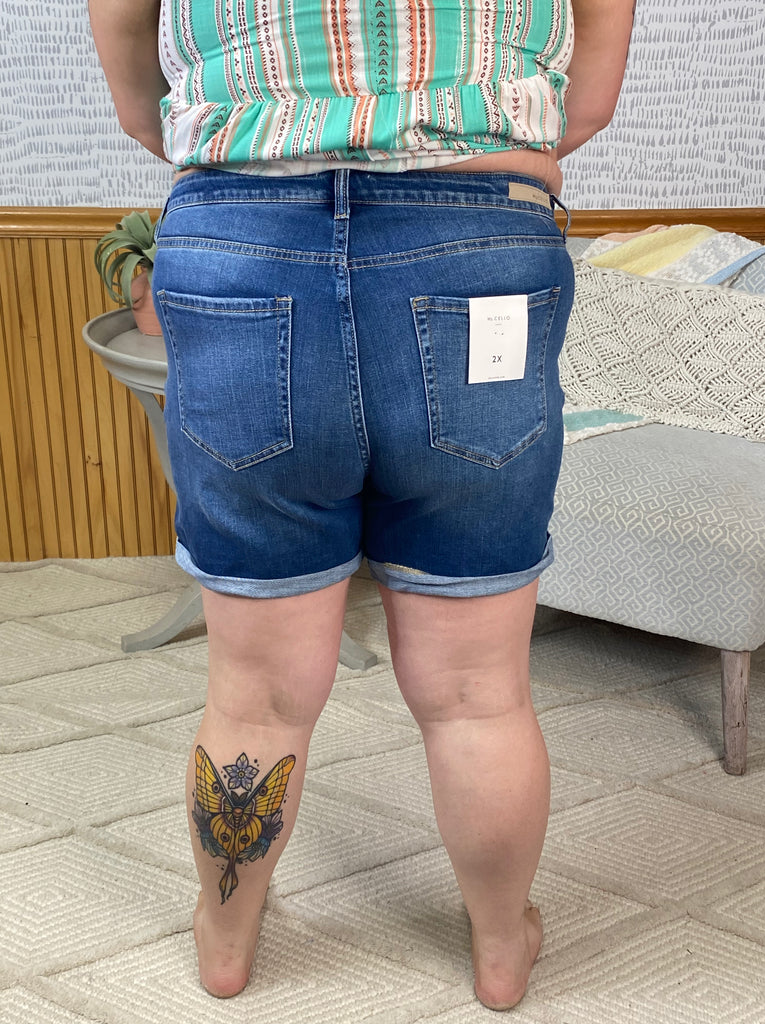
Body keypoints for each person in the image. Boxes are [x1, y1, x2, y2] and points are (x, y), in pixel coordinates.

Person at [89, 0, 634, 1009]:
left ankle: (225, 936)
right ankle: (502, 946)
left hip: (242, 240)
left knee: (254, 689)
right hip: (477, 242)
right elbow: (588, 99)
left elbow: (137, 91)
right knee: (478, 690)